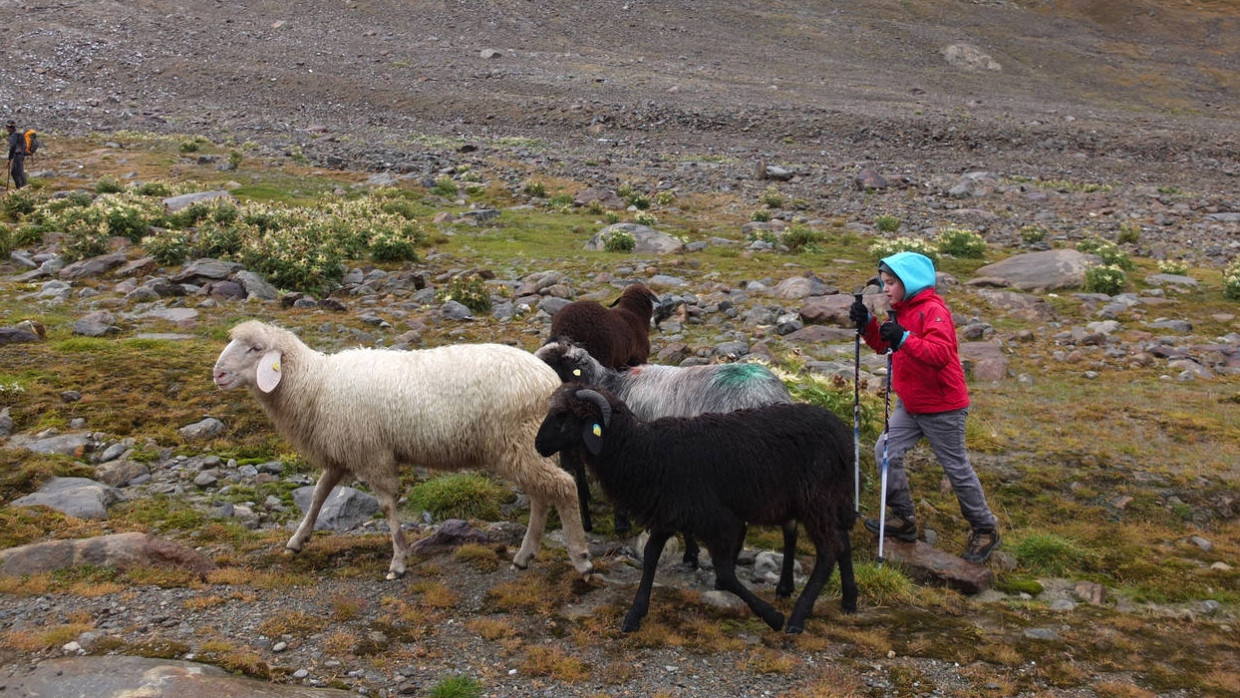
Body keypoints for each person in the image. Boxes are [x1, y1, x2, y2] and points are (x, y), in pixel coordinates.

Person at [849, 251, 1001, 563]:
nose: (886, 289)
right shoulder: (900, 311)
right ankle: (903, 518)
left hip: (943, 405)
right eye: (883, 283)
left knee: (956, 468)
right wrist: (868, 326)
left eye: (891, 283)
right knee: (885, 451)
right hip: (911, 403)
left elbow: (940, 354)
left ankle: (985, 528)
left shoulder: (933, 310)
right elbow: (884, 345)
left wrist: (903, 338)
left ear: (910, 281)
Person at [6, 120, 27, 189]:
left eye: (7, 127)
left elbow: (13, 146)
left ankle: (20, 188)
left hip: (17, 155)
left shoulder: (13, 135)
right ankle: (22, 187)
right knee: (19, 171)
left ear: (10, 128)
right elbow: (24, 145)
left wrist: (10, 158)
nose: (6, 128)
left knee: (15, 172)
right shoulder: (20, 134)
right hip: (21, 154)